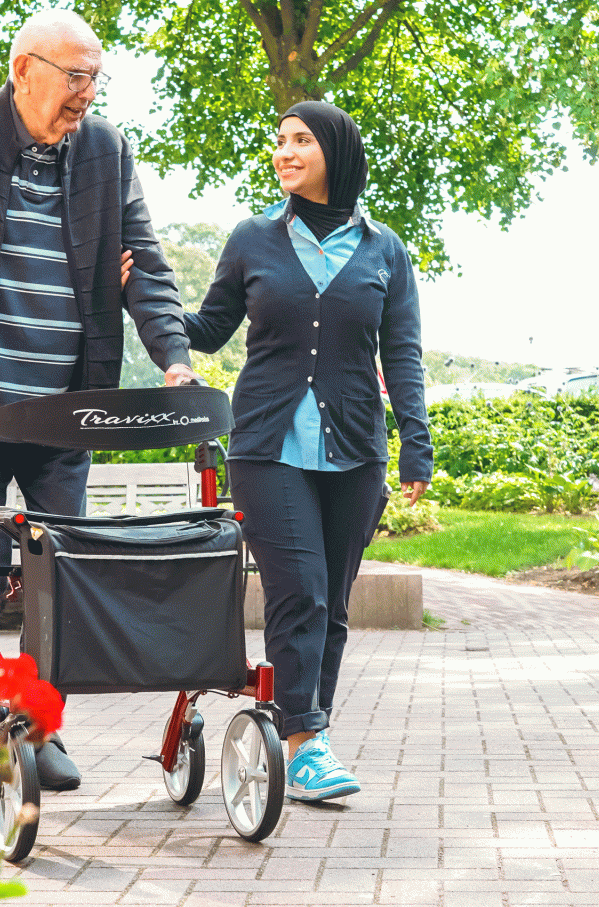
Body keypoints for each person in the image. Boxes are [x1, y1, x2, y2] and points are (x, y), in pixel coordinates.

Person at [0, 8, 196, 793]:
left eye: (97, 77)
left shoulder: (106, 150)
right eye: (75, 76)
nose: (88, 93)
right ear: (23, 69)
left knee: (63, 571)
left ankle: (42, 726)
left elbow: (148, 268)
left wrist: (174, 359)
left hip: (67, 408)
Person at [173, 101, 432, 802]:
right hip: (267, 447)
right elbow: (210, 326)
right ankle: (306, 742)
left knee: (334, 604)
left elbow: (402, 353)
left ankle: (305, 729)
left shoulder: (386, 249)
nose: (284, 152)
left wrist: (417, 445)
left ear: (337, 152)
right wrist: (145, 291)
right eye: (279, 141)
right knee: (301, 593)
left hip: (356, 450)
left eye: (300, 141)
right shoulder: (254, 238)